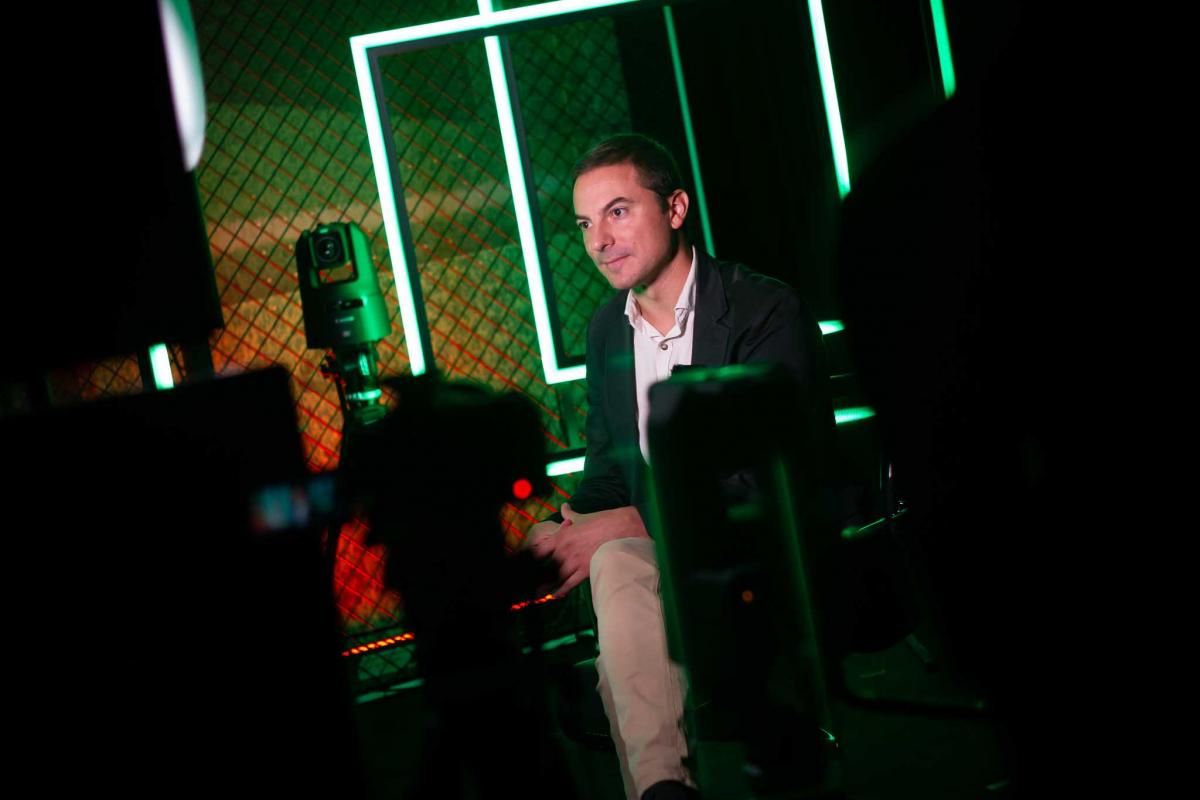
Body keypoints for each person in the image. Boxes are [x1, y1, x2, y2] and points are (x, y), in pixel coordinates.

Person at [527, 134, 830, 800]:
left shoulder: (763, 310)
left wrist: (621, 525)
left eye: (617, 212)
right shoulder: (607, 330)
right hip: (663, 560)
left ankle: (660, 786)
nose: (599, 240)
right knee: (612, 559)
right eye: (584, 224)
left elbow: (773, 480)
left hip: (760, 555)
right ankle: (664, 787)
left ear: (675, 208)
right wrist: (564, 528)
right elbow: (609, 472)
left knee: (617, 557)